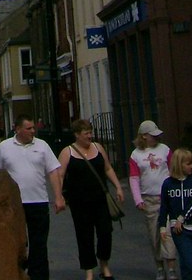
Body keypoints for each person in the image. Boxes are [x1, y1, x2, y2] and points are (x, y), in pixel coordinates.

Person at [0, 114, 65, 280]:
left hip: (38, 201)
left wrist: (58, 196)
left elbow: (53, 171)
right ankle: (16, 272)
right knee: (16, 241)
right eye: (29, 128)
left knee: (39, 243)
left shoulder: (42, 146)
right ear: (17, 129)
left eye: (33, 128)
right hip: (14, 203)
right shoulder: (4, 147)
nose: (33, 131)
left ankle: (38, 276)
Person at [58, 118, 124, 280]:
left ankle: (104, 264)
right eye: (86, 133)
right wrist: (58, 196)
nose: (89, 136)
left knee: (105, 232)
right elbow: (60, 175)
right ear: (77, 135)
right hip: (79, 202)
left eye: (90, 132)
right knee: (84, 236)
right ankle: (89, 270)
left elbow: (107, 168)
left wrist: (118, 186)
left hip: (100, 199)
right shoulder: (68, 152)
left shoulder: (98, 148)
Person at [129, 120, 177, 280]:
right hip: (149, 199)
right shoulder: (136, 155)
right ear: (143, 136)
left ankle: (171, 268)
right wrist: (137, 199)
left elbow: (172, 170)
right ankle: (159, 266)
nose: (156, 138)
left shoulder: (165, 150)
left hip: (167, 198)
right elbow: (134, 178)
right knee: (154, 234)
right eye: (152, 135)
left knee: (168, 233)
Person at [158, 148, 192, 280]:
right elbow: (164, 207)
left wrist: (183, 217)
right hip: (179, 230)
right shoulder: (168, 184)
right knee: (188, 263)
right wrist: (162, 226)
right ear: (179, 165)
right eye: (188, 164)